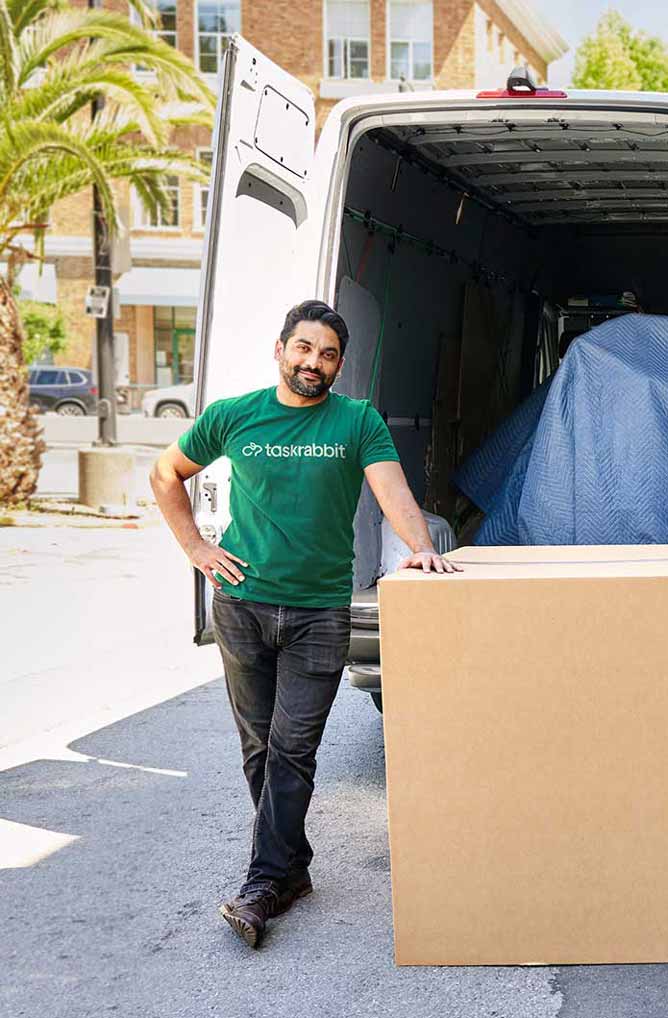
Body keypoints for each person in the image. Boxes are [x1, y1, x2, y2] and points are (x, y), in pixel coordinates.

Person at [150, 300, 459, 949]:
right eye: (304, 348)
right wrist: (197, 549)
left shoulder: (356, 421)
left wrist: (421, 548)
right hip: (241, 606)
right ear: (281, 349)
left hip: (319, 612)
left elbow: (393, 492)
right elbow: (165, 473)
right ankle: (291, 870)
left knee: (292, 748)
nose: (314, 362)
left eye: (328, 354)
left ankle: (263, 884)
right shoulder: (234, 415)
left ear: (340, 365)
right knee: (259, 748)